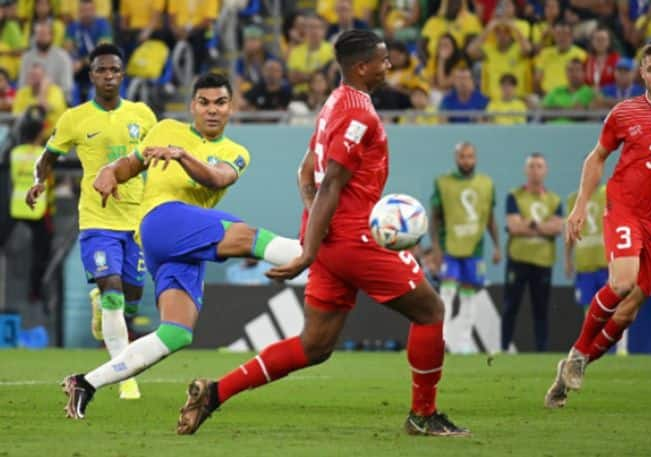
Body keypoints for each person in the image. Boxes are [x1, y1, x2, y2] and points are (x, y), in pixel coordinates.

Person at [175, 30, 470, 437]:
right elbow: (330, 182)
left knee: (314, 346)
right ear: (362, 66)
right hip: (354, 237)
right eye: (383, 60)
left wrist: (317, 234)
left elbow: (304, 174)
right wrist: (311, 249)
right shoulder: (358, 114)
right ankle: (423, 414)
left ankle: (214, 393)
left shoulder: (335, 103)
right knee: (430, 311)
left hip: (333, 238)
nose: (389, 65)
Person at [60, 72, 302, 420]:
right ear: (193, 106)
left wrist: (181, 156)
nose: (212, 110)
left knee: (176, 332)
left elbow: (216, 177)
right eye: (204, 102)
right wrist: (110, 171)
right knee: (246, 236)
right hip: (161, 221)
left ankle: (85, 383)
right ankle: (320, 255)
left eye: (220, 102)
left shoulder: (235, 152)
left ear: (231, 107)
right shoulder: (165, 128)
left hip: (181, 243)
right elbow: (132, 163)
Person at [544, 39, 651, 409]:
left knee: (628, 312)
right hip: (625, 207)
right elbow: (597, 159)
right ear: (642, 73)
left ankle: (572, 369)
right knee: (622, 282)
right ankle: (578, 354)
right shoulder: (624, 113)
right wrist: (579, 207)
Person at [27, 44, 156, 401]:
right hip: (97, 219)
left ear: (122, 75)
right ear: (92, 75)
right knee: (113, 291)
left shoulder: (143, 115)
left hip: (136, 220)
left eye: (115, 70)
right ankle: (124, 376)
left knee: (132, 296)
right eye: (102, 70)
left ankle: (104, 309)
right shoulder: (75, 118)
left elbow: (158, 156)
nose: (109, 76)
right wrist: (39, 181)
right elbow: (48, 157)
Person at [430, 141, 501, 353]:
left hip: (475, 249)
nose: (466, 160)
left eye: (470, 156)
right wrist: (435, 248)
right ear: (456, 158)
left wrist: (497, 246)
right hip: (449, 247)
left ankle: (463, 341)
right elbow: (434, 218)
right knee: (447, 293)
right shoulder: (443, 182)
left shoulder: (486, 183)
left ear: (475, 158)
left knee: (469, 295)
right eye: (462, 156)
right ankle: (440, 340)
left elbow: (490, 219)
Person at [502, 153, 562, 352]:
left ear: (546, 171)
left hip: (543, 261)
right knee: (510, 307)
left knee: (541, 309)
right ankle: (504, 348)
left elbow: (557, 228)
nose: (535, 170)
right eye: (532, 166)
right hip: (518, 259)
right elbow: (513, 226)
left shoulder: (554, 199)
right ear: (525, 170)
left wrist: (530, 223)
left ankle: (542, 350)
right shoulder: (514, 195)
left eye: (539, 166)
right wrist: (542, 227)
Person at [564, 185, 628, 355]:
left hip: (606, 263)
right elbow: (570, 230)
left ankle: (622, 348)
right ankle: (590, 346)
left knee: (616, 304)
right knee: (589, 308)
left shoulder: (609, 193)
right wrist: (568, 259)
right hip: (585, 264)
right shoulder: (573, 199)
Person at [8, 106, 52, 304]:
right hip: (38, 210)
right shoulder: (43, 154)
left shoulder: (14, 153)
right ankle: (36, 291)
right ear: (38, 134)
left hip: (17, 210)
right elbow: (48, 182)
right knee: (41, 253)